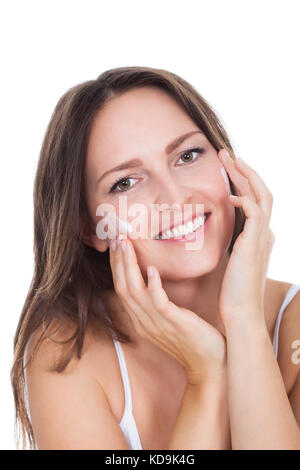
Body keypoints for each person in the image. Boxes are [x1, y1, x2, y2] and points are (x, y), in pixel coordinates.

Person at [11, 66, 300, 450]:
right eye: (125, 182)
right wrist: (205, 377)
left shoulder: (293, 324)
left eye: (188, 154)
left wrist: (244, 321)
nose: (175, 197)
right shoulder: (68, 350)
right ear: (88, 228)